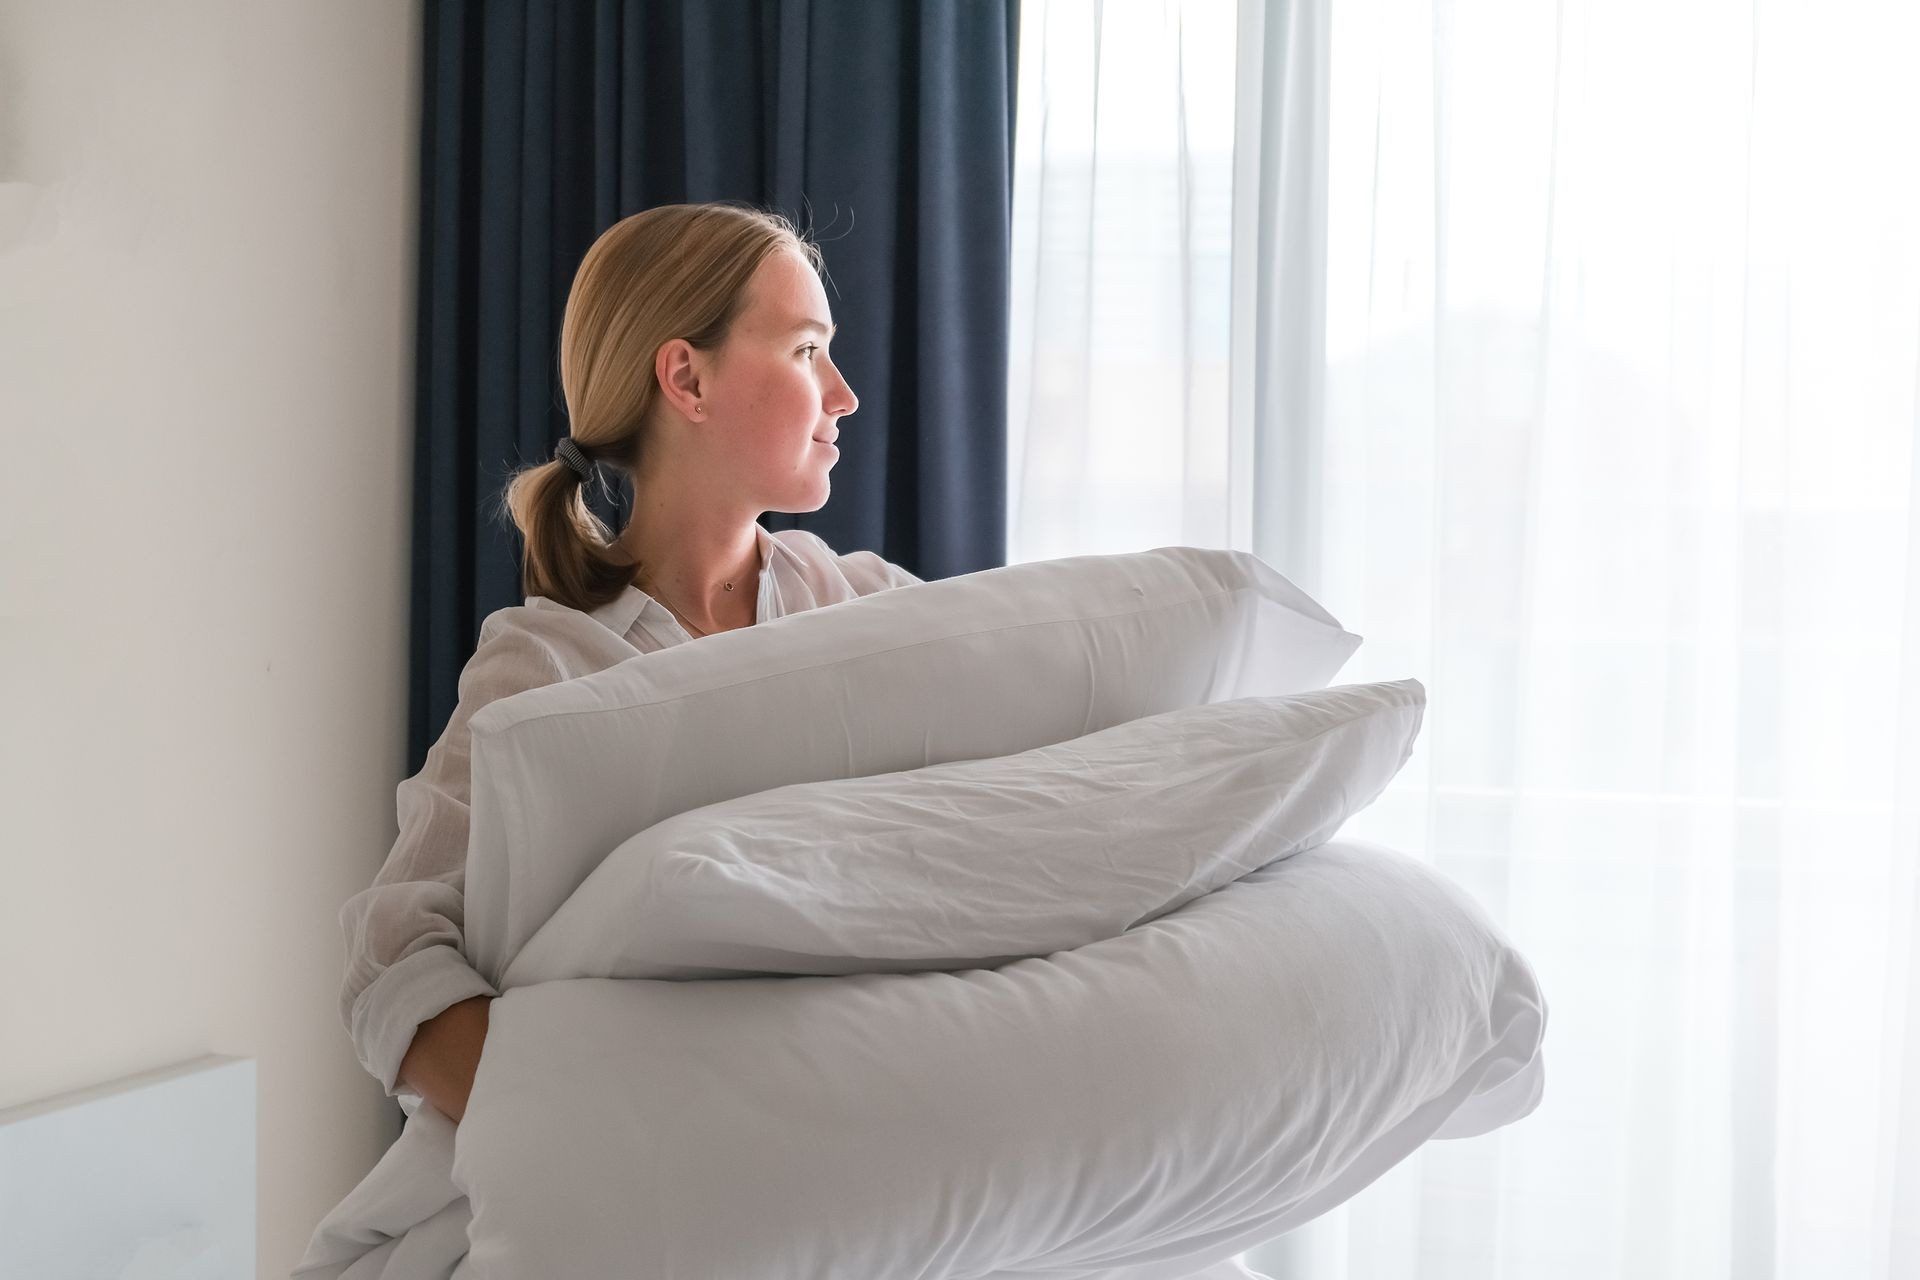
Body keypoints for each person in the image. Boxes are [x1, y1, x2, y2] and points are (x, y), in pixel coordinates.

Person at [336, 201, 922, 1124]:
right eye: (808, 350)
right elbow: (388, 955)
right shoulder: (550, 666)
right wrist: (608, 1135)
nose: (843, 393)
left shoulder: (864, 604)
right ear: (687, 378)